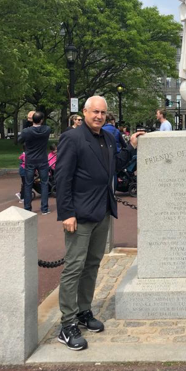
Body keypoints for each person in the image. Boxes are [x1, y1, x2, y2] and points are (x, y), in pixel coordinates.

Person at [54, 95, 146, 351]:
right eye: (95, 112)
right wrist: (67, 213)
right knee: (73, 267)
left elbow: (113, 166)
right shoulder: (71, 138)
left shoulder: (106, 138)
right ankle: (67, 323)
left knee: (92, 265)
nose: (99, 116)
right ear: (84, 112)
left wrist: (131, 146)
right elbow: (63, 178)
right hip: (79, 214)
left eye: (103, 113)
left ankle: (84, 311)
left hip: (102, 210)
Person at [18, 111, 51, 215]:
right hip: (42, 159)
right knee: (44, 183)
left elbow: (19, 140)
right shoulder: (47, 129)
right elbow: (43, 126)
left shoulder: (27, 131)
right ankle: (44, 209)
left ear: (32, 120)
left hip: (30, 160)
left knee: (28, 184)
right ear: (42, 120)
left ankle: (27, 208)